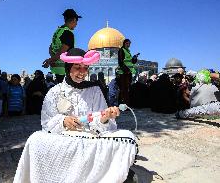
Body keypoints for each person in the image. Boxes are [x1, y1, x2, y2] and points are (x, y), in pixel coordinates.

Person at [13, 48, 137, 183]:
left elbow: (101, 123)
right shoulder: (55, 92)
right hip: (64, 140)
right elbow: (46, 123)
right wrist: (63, 121)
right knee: (35, 139)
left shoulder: (94, 90)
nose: (82, 73)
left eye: (85, 68)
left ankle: (113, 172)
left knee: (128, 137)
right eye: (77, 67)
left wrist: (104, 118)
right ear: (68, 68)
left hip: (90, 140)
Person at [42, 9, 81, 83]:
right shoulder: (68, 33)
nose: (76, 24)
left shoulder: (58, 32)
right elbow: (62, 51)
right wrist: (51, 60)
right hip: (65, 69)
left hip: (57, 69)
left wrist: (52, 59)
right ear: (73, 20)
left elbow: (51, 48)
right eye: (76, 22)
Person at [116, 39, 138, 105]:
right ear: (124, 43)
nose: (128, 45)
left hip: (128, 73)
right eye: (127, 43)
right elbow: (120, 62)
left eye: (129, 44)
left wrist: (134, 57)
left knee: (127, 88)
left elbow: (132, 62)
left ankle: (125, 104)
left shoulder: (128, 52)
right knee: (124, 89)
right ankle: (123, 104)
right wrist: (127, 70)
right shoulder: (121, 50)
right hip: (123, 73)